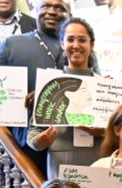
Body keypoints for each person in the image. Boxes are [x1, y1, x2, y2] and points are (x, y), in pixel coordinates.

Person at [0, 0, 72, 178]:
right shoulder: (12, 44)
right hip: (27, 141)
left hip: (71, 142)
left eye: (60, 8)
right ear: (35, 11)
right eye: (45, 6)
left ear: (70, 15)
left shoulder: (80, 47)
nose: (51, 11)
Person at [27, 17, 101, 178]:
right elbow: (32, 138)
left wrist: (104, 132)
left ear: (92, 45)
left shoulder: (105, 87)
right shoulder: (49, 84)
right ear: (62, 44)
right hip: (60, 163)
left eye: (82, 40)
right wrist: (43, 140)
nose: (76, 45)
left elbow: (121, 134)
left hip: (99, 162)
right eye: (70, 39)